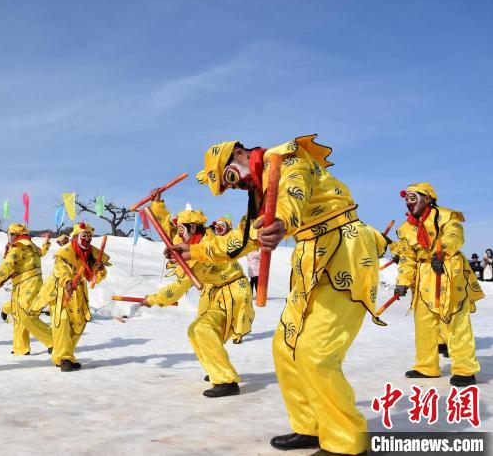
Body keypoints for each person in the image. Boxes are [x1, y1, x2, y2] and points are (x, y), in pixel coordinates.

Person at [172, 135, 387, 455]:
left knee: (316, 352)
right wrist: (193, 252)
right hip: (309, 258)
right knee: (284, 347)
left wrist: (282, 221)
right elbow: (242, 239)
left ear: (240, 153)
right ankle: (310, 425)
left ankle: (346, 440)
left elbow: (292, 195)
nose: (237, 186)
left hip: (346, 253)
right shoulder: (260, 193)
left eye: (231, 177)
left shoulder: (287, 161)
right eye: (230, 186)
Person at [143, 201, 253, 398]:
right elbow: (168, 229)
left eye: (181, 229)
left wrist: (153, 299)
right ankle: (215, 370)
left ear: (193, 228)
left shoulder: (204, 246)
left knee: (204, 328)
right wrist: (158, 205)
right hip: (216, 291)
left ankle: (226, 380)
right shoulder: (194, 238)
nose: (178, 234)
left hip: (233, 293)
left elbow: (181, 285)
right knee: (194, 330)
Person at [394, 183, 484, 387]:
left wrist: (441, 251)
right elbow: (407, 257)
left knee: (453, 321)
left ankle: (464, 369)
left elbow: (454, 236)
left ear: (427, 198)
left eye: (412, 198)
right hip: (424, 275)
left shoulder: (446, 216)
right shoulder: (407, 228)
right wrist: (403, 283)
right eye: (406, 199)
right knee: (424, 324)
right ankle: (426, 366)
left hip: (449, 270)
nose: (408, 203)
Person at [32, 223, 110, 371]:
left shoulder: (91, 254)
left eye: (89, 236)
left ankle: (65, 355)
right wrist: (68, 282)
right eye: (84, 236)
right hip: (60, 290)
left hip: (79, 292)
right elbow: (63, 270)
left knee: (79, 324)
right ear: (75, 237)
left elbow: (94, 278)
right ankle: (64, 358)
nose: (87, 239)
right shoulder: (65, 252)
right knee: (62, 321)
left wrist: (99, 270)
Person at [0, 224, 53, 356]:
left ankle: (53, 339)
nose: (9, 237)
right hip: (22, 283)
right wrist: (46, 242)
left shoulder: (19, 245)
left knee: (25, 314)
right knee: (18, 315)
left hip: (28, 282)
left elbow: (8, 263)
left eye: (10, 234)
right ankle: (21, 348)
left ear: (15, 235)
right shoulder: (30, 244)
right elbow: (41, 252)